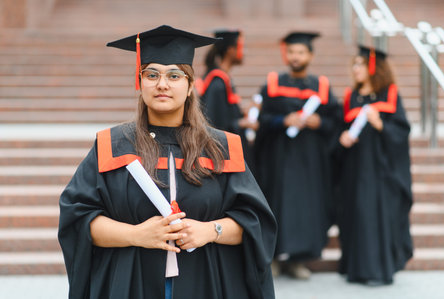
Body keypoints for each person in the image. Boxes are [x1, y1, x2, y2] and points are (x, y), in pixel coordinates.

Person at [58, 25, 277, 299]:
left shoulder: (221, 147)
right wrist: (136, 235)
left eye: (174, 75)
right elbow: (78, 219)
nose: (162, 84)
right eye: (152, 74)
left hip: (206, 282)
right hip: (130, 284)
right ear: (141, 83)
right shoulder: (112, 145)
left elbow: (254, 221)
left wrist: (210, 230)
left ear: (190, 86)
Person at [253, 31, 341, 279]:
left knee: (306, 209)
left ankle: (298, 261)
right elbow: (262, 120)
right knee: (276, 206)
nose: (295, 56)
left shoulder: (321, 86)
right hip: (279, 160)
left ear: (310, 55)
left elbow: (334, 121)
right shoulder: (272, 83)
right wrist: (283, 120)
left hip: (310, 162)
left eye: (300, 52)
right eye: (291, 52)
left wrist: (318, 122)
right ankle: (274, 259)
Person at [336, 45, 413, 285]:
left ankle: (379, 271)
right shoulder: (352, 97)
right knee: (356, 215)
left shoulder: (389, 95)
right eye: (354, 64)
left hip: (381, 171)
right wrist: (342, 138)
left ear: (373, 67)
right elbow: (338, 129)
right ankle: (356, 269)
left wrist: (381, 125)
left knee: (378, 216)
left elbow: (401, 132)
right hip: (355, 170)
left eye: (360, 64)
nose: (355, 69)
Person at [196, 29, 258, 170]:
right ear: (230, 50)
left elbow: (224, 113)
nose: (243, 53)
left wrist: (241, 112)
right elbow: (214, 122)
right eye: (241, 48)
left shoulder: (221, 78)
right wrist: (241, 123)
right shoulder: (217, 82)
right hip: (224, 155)